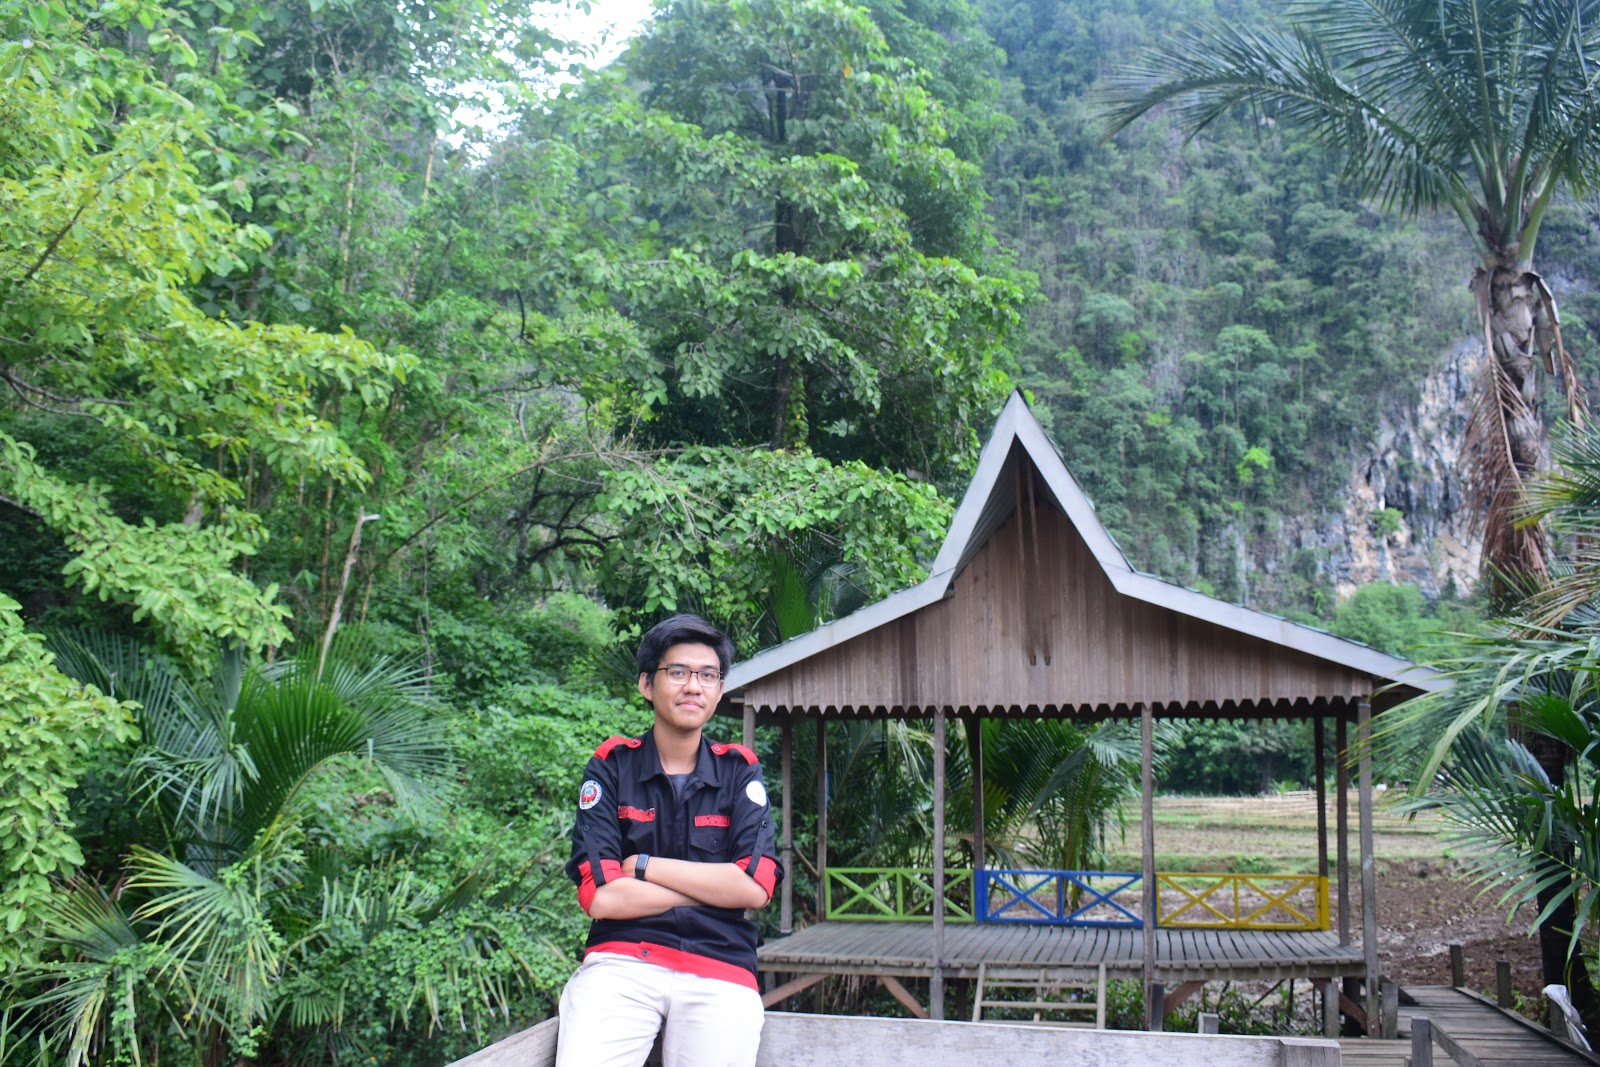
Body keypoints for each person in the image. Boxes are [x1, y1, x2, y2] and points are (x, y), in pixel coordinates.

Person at [557, 614, 781, 1067]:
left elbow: (756, 888)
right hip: (622, 963)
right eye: (677, 672)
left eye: (707, 675)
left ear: (720, 689)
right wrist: (714, 888)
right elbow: (601, 898)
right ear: (647, 684)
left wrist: (643, 867)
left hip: (720, 967)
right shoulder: (612, 766)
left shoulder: (739, 770)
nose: (693, 686)